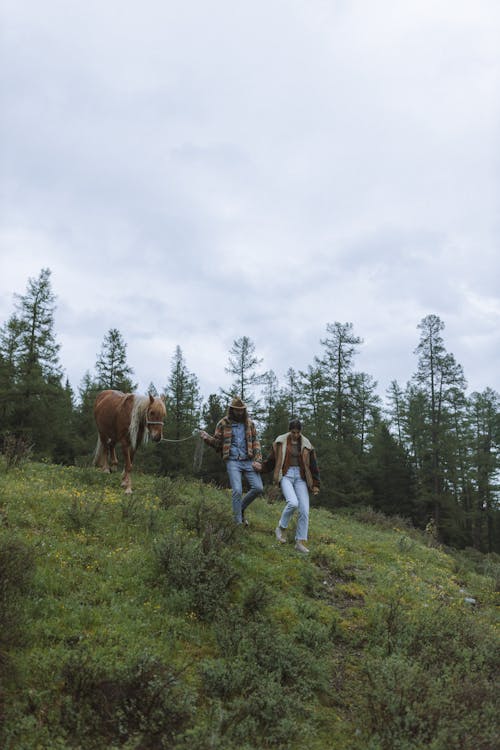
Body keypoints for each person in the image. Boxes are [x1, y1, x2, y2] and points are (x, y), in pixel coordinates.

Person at [199, 397, 264, 525]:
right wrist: (207, 438)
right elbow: (218, 444)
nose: (239, 412)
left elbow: (256, 442)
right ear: (232, 410)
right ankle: (237, 524)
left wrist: (258, 460)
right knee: (237, 491)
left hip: (248, 460)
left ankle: (239, 510)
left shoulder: (250, 424)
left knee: (258, 488)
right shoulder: (223, 423)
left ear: (244, 410)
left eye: (241, 410)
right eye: (236, 410)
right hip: (232, 461)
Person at [262, 419, 320, 553]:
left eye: (297, 432)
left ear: (301, 432)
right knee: (293, 503)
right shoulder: (280, 441)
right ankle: (281, 528)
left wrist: (315, 484)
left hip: (300, 477)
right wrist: (262, 468)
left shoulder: (306, 444)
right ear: (289, 431)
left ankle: (299, 542)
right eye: (293, 432)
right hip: (286, 474)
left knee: (304, 510)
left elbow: (313, 465)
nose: (295, 435)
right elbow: (272, 460)